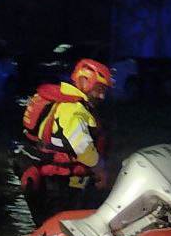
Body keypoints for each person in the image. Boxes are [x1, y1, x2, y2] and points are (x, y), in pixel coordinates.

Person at [16, 57, 114, 223]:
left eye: (104, 90)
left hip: (50, 178)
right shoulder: (73, 109)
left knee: (49, 227)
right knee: (62, 229)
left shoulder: (62, 99)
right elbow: (82, 148)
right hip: (60, 183)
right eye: (99, 89)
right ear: (84, 82)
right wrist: (100, 169)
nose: (102, 95)